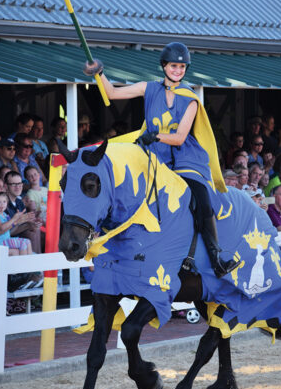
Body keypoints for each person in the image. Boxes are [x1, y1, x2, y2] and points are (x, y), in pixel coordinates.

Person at [83, 42, 238, 277]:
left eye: (182, 66)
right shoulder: (149, 88)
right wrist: (99, 73)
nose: (178, 70)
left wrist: (154, 135)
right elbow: (112, 93)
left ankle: (216, 258)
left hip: (187, 162)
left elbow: (178, 138)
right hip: (155, 160)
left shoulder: (191, 99)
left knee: (202, 201)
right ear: (164, 66)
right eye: (174, 65)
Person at [4, 170, 41, 253]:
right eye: (14, 184)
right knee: (31, 233)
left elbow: (23, 224)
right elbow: (7, 232)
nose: (18, 187)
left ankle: (38, 260)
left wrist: (32, 224)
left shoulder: (19, 202)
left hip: (19, 237)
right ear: (6, 186)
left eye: (20, 184)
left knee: (35, 230)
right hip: (5, 241)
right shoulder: (3, 203)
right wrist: (21, 222)